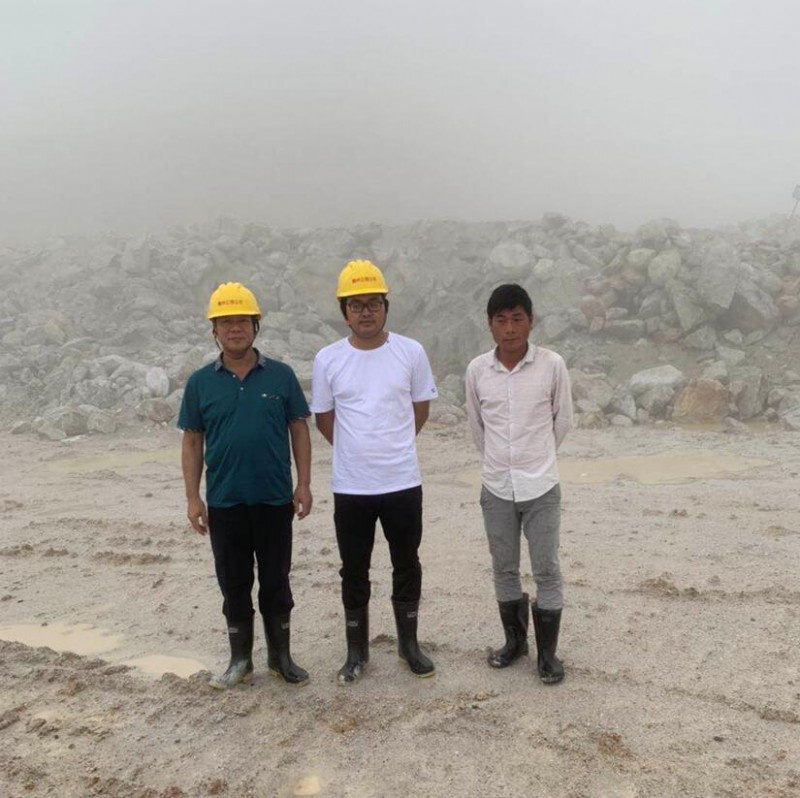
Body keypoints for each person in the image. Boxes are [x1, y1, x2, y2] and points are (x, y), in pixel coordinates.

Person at [178, 282, 312, 689]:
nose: (234, 329)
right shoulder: (200, 383)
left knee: (276, 581)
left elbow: (299, 430)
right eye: (226, 322)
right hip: (225, 502)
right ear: (214, 331)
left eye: (242, 321)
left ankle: (281, 659)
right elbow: (192, 441)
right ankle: (240, 661)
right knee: (233, 584)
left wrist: (304, 484)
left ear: (256, 326)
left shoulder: (281, 376)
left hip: (274, 499)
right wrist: (193, 498)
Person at [311, 260, 438, 683]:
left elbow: (420, 409)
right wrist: (356, 451)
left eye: (373, 303)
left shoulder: (410, 352)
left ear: (386, 306)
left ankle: (409, 645)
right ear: (344, 312)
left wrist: (391, 445)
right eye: (356, 305)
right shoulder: (328, 359)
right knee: (353, 569)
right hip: (352, 487)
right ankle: (356, 652)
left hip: (402, 481)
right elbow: (324, 418)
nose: (366, 312)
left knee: (407, 563)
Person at [465, 283, 573, 685]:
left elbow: (563, 420)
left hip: (541, 485)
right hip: (496, 486)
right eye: (501, 320)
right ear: (490, 324)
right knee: (504, 567)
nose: (509, 328)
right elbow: (477, 427)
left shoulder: (552, 365)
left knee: (547, 569)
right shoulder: (478, 370)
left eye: (517, 318)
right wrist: (501, 461)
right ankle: (515, 643)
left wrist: (534, 457)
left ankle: (547, 655)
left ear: (531, 321)